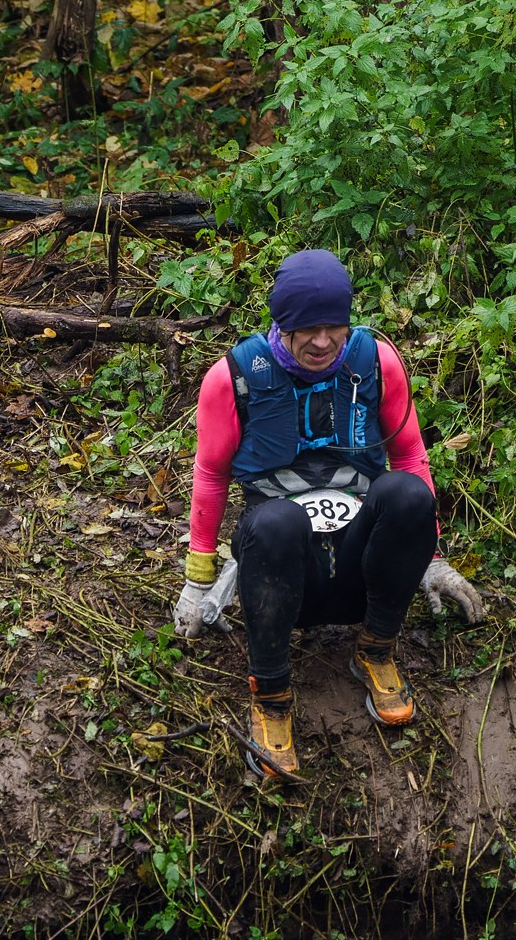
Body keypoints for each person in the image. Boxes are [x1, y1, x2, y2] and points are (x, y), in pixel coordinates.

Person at [172, 249, 481, 780]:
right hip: (282, 578)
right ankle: (270, 698)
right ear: (281, 326)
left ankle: (376, 648)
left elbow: (409, 455)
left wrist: (431, 558)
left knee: (407, 492)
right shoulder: (232, 378)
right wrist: (199, 581)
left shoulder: (377, 362)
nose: (322, 342)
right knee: (273, 520)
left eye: (333, 327)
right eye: (306, 329)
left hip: (363, 569)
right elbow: (211, 474)